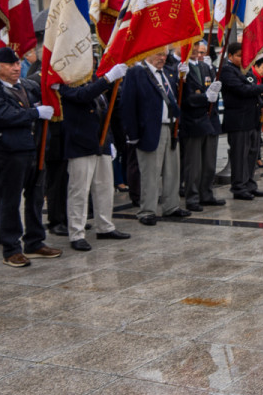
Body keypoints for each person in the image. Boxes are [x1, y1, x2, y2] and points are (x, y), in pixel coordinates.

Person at [0, 47, 61, 267]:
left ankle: (35, 241)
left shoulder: (28, 85)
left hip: (35, 149)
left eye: (17, 64)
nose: (16, 68)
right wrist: (35, 113)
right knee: (10, 201)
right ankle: (11, 248)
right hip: (10, 152)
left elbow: (44, 101)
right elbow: (5, 115)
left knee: (35, 198)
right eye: (10, 65)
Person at [58, 62, 131, 249]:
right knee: (79, 190)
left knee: (105, 187)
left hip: (102, 142)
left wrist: (110, 140)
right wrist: (108, 79)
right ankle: (76, 233)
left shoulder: (93, 81)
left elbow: (105, 112)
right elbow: (82, 96)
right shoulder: (66, 82)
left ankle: (105, 226)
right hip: (80, 143)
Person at [121, 49, 190, 226]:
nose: (162, 58)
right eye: (159, 54)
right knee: (150, 172)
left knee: (172, 170)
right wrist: (133, 134)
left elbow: (176, 95)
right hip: (150, 129)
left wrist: (184, 78)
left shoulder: (167, 72)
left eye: (165, 55)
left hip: (170, 126)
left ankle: (171, 206)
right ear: (148, 53)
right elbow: (128, 104)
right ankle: (147, 210)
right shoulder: (137, 72)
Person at [221, 42, 263, 200]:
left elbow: (252, 90)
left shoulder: (246, 70)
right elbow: (242, 90)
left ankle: (250, 183)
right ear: (230, 56)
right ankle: (238, 187)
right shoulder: (227, 70)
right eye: (238, 55)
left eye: (242, 55)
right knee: (240, 155)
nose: (241, 58)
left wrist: (261, 107)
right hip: (239, 121)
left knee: (252, 153)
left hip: (253, 119)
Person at [180, 41, 225, 211]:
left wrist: (212, 93)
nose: (199, 55)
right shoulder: (182, 70)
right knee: (194, 165)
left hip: (210, 120)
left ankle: (207, 194)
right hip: (193, 120)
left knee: (209, 163)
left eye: (202, 52)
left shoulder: (206, 68)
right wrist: (205, 97)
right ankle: (192, 197)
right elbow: (187, 99)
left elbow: (212, 89)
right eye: (196, 51)